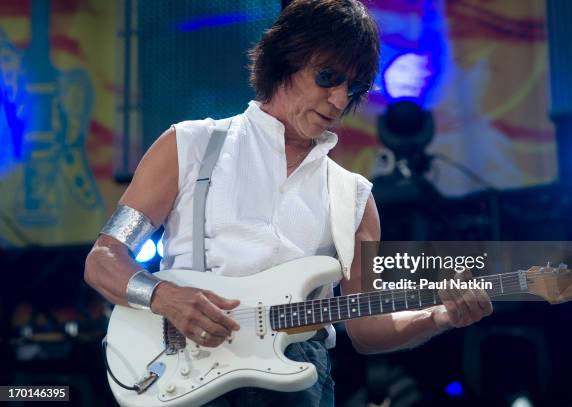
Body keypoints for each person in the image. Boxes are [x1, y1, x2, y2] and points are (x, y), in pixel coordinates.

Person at [84, 0, 493, 405]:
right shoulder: (189, 145)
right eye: (327, 77)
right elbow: (103, 259)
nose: (337, 100)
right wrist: (163, 296)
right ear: (284, 60)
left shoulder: (354, 198)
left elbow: (367, 328)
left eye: (351, 88)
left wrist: (438, 315)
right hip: (185, 373)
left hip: (297, 381)